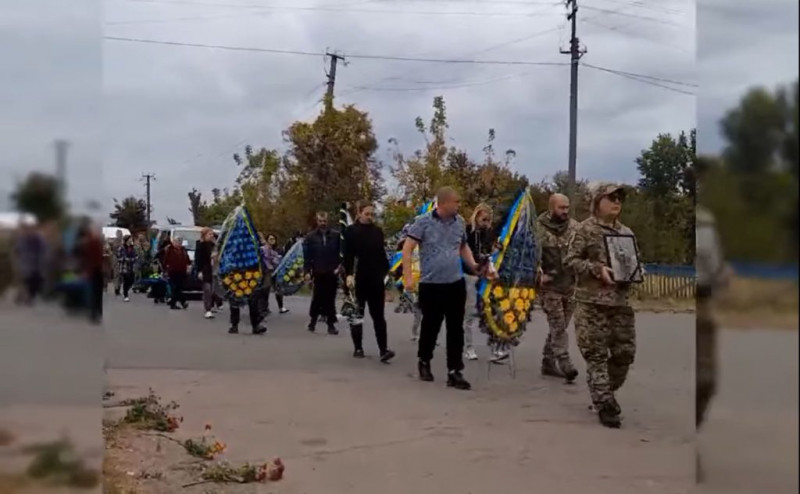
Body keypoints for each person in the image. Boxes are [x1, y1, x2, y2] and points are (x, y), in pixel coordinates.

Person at [402, 187, 494, 391]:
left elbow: (462, 247)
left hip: (455, 282)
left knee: (456, 328)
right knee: (431, 325)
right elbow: (407, 248)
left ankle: (455, 371)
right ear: (443, 203)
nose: (459, 205)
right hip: (431, 283)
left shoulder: (459, 222)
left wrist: (474, 265)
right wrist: (408, 277)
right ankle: (424, 361)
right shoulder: (423, 222)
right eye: (456, 202)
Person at [564, 182, 637, 429]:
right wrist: (596, 269)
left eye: (620, 198)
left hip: (620, 303)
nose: (617, 202)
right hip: (591, 303)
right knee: (595, 355)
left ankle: (603, 389)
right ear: (597, 202)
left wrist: (637, 271)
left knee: (624, 354)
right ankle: (605, 403)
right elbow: (571, 260)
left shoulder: (626, 232)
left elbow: (633, 260)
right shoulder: (584, 230)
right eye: (612, 197)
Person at [343, 201, 396, 362]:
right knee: (357, 314)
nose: (370, 217)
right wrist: (349, 274)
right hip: (358, 278)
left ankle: (383, 349)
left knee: (379, 316)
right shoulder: (351, 231)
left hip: (375, 279)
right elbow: (348, 255)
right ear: (359, 213)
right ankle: (358, 347)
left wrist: (388, 277)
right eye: (367, 214)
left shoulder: (377, 232)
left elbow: (381, 255)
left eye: (372, 214)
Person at [536, 193, 580, 383]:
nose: (565, 211)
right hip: (549, 286)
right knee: (558, 326)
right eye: (561, 208)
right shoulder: (538, 228)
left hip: (570, 285)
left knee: (560, 326)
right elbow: (529, 256)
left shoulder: (575, 228)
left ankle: (548, 361)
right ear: (552, 207)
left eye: (567, 207)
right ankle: (565, 362)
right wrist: (538, 275)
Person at [463, 203, 503, 362]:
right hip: (470, 275)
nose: (486, 223)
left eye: (488, 220)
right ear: (476, 216)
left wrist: (497, 249)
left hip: (486, 276)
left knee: (492, 311)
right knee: (470, 312)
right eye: (483, 219)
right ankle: (468, 347)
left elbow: (490, 253)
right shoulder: (467, 232)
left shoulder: (490, 234)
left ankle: (495, 350)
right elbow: (464, 252)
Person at [303, 212, 341, 335]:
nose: (322, 223)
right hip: (318, 271)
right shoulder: (311, 237)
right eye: (320, 221)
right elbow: (307, 256)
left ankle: (331, 324)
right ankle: (313, 321)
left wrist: (340, 267)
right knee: (318, 297)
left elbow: (341, 253)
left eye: (324, 221)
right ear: (317, 221)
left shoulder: (336, 235)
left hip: (332, 271)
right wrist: (307, 271)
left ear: (327, 221)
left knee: (330, 298)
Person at [13, 222, 47, 305]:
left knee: (35, 281)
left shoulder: (39, 238)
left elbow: (44, 249)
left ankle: (25, 296)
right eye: (29, 229)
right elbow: (17, 250)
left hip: (36, 264)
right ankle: (26, 297)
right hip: (26, 264)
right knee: (26, 281)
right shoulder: (22, 239)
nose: (30, 231)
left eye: (32, 229)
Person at [263, 234, 289, 314]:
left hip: (277, 272)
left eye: (273, 239)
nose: (272, 240)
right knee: (266, 290)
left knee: (278, 289)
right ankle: (265, 308)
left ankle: (281, 307)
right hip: (268, 272)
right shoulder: (264, 249)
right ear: (267, 240)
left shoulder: (279, 249)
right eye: (270, 239)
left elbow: (283, 260)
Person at [164, 235, 191, 310]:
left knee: (178, 288)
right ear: (173, 242)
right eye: (177, 241)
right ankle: (180, 302)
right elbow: (165, 260)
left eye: (180, 242)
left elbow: (188, 260)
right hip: (172, 271)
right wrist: (165, 270)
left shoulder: (183, 250)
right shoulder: (169, 249)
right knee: (176, 287)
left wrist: (189, 266)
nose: (179, 243)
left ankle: (178, 302)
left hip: (182, 271)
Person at [195, 227, 217, 319]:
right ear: (204, 235)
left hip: (214, 270)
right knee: (207, 289)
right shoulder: (201, 245)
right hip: (205, 270)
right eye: (209, 234)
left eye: (212, 234)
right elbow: (198, 259)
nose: (211, 236)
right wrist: (199, 271)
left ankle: (211, 306)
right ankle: (207, 309)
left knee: (213, 290)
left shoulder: (213, 245)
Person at [116, 235, 138, 301]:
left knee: (132, 280)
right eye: (130, 239)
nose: (131, 240)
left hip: (131, 267)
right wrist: (127, 259)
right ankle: (126, 295)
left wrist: (135, 258)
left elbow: (135, 255)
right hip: (124, 267)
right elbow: (119, 257)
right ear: (127, 240)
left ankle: (125, 290)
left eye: (131, 239)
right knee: (126, 280)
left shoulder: (132, 248)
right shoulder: (121, 248)